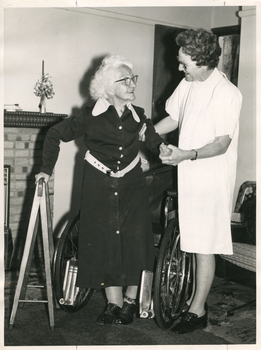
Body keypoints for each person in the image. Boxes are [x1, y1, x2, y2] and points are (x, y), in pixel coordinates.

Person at [35, 55, 167, 326]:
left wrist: (161, 148)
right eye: (125, 80)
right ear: (108, 87)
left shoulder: (138, 114)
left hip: (132, 185)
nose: (132, 84)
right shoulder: (89, 116)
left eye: (133, 79)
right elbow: (54, 135)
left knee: (134, 241)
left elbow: (152, 137)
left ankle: (130, 301)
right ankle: (113, 303)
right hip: (98, 183)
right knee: (104, 241)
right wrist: (46, 169)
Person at [155, 28, 242, 334]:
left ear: (201, 60)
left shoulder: (227, 93)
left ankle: (198, 310)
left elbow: (221, 144)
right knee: (191, 237)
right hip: (188, 169)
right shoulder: (188, 83)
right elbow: (174, 119)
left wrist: (186, 154)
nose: (179, 67)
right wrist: (146, 135)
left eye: (183, 63)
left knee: (204, 244)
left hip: (211, 176)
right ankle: (191, 303)